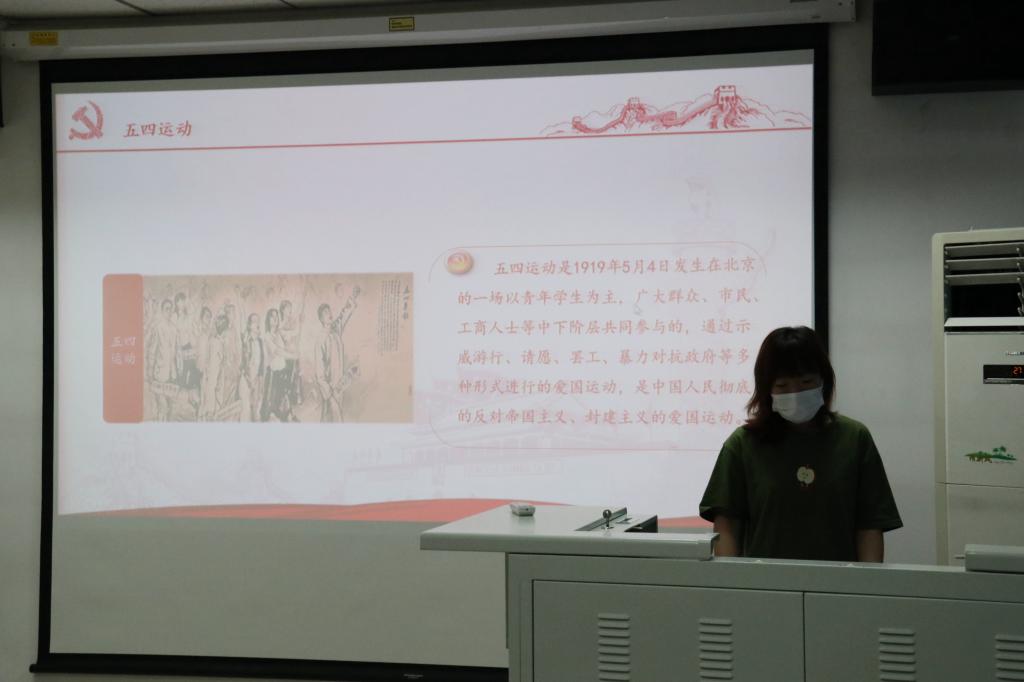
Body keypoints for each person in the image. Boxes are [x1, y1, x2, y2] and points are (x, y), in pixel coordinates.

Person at [698, 326, 902, 562]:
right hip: (765, 581)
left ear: (823, 381)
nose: (795, 394)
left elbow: (869, 526)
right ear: (766, 389)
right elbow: (727, 527)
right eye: (782, 386)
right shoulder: (742, 445)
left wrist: (867, 581)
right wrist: (732, 580)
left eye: (806, 382)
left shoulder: (854, 439)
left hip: (839, 581)